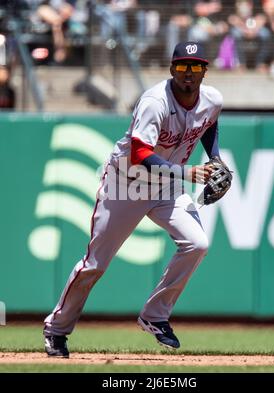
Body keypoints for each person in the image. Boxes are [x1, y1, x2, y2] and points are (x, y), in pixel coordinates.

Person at [43, 41, 225, 357]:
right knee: (95, 265)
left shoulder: (212, 99)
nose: (189, 73)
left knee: (198, 243)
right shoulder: (155, 101)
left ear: (204, 71)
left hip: (166, 187)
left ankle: (155, 316)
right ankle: (56, 330)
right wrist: (188, 173)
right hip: (127, 183)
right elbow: (141, 153)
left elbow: (208, 123)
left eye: (196, 67)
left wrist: (217, 158)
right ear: (172, 69)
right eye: (183, 66)